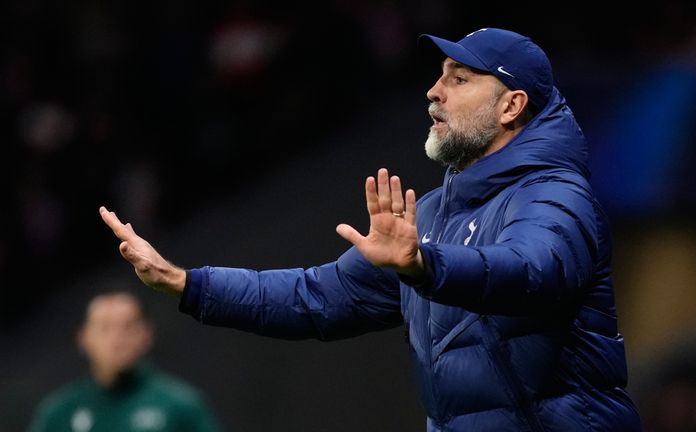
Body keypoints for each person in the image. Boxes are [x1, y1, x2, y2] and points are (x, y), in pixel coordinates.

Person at [100, 27, 643, 431]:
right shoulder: (429, 217)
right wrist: (187, 283)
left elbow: (533, 272)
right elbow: (314, 297)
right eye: (438, 75)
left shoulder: (553, 192)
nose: (434, 91)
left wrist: (424, 267)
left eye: (459, 79)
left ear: (511, 106)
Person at [28, 291, 221, 432]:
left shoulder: (181, 407)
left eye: (127, 327)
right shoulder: (58, 414)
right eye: (105, 328)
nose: (117, 339)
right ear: (84, 338)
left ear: (146, 335)